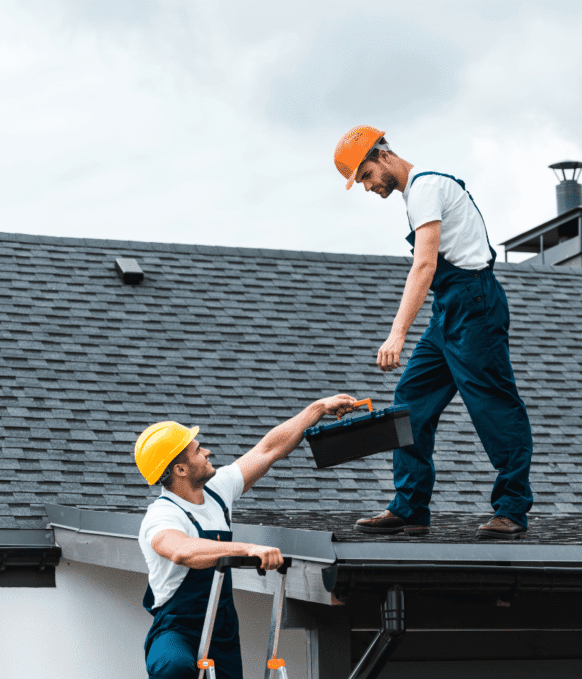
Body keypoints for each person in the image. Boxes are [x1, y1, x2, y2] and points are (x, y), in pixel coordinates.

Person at [333, 125, 534, 540]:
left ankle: (512, 509)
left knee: (493, 404)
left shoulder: (425, 188)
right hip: (450, 307)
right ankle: (410, 508)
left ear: (383, 156)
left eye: (366, 176)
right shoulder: (418, 194)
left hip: (473, 305)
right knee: (411, 400)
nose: (368, 187)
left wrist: (396, 334)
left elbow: (424, 265)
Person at [135, 393, 356, 679]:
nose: (207, 453)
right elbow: (182, 551)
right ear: (180, 469)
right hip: (178, 629)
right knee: (172, 667)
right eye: (197, 450)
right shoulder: (162, 515)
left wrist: (318, 408)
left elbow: (268, 449)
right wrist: (248, 548)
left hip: (222, 629)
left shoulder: (216, 491)